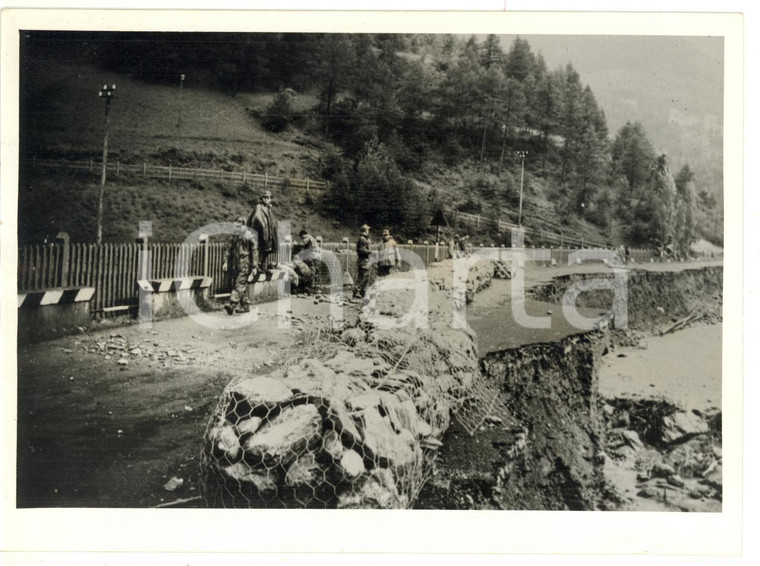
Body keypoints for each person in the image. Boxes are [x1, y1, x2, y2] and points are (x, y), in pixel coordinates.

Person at [222, 216, 254, 315]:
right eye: (236, 226)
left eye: (239, 226)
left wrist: (255, 267)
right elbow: (228, 249)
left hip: (245, 263)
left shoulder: (249, 236)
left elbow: (255, 251)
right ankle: (245, 306)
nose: (237, 228)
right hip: (236, 264)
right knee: (241, 285)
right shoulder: (234, 236)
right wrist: (225, 261)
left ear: (244, 226)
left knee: (239, 284)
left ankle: (231, 305)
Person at [247, 190, 278, 273]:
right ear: (262, 198)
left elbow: (271, 221)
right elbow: (257, 219)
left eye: (268, 198)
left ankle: (262, 265)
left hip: (268, 232)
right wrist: (263, 227)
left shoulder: (269, 209)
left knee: (267, 249)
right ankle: (256, 266)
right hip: (259, 232)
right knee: (259, 249)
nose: (266, 199)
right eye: (265, 198)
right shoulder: (258, 207)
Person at [354, 224, 373, 299]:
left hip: (365, 260)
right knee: (362, 276)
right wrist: (369, 251)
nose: (368, 231)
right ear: (365, 231)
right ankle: (356, 291)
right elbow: (361, 250)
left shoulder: (364, 239)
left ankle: (363, 291)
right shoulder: (362, 239)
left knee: (366, 276)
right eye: (367, 230)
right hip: (363, 260)